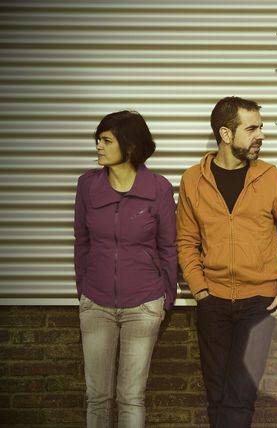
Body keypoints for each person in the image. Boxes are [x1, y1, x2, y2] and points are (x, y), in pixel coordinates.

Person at [176, 96, 277, 427]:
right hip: (213, 301)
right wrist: (200, 290)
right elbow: (186, 242)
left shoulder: (271, 178)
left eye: (260, 127)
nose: (261, 135)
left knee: (241, 394)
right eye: (251, 129)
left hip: (258, 303)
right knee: (217, 394)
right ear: (225, 134)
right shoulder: (193, 179)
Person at [74, 110, 177, 427]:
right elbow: (82, 242)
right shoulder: (87, 186)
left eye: (106, 140)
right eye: (98, 139)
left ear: (129, 146)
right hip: (96, 304)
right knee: (97, 397)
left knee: (131, 397)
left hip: (143, 304)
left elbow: (168, 247)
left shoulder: (158, 188)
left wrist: (165, 298)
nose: (98, 146)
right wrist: (84, 292)